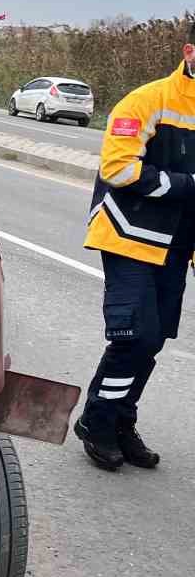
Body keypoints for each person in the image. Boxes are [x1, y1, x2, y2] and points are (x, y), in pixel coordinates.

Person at [74, 25, 195, 471]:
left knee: (155, 338)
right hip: (128, 234)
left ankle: (122, 420)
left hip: (176, 246)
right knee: (134, 335)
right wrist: (189, 185)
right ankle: (97, 421)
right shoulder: (148, 100)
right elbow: (119, 169)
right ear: (189, 51)